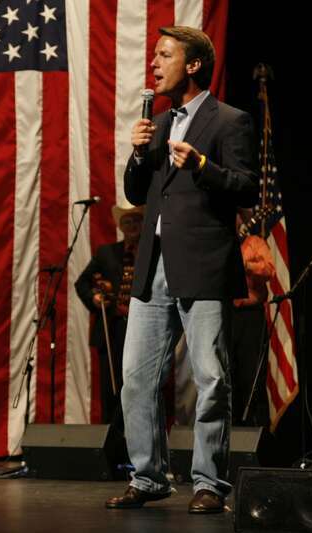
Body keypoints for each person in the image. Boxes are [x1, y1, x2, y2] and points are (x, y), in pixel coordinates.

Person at [105, 26, 258, 513]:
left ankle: (209, 483)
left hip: (204, 267)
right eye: (154, 55)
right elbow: (134, 193)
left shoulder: (229, 120)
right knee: (136, 378)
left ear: (192, 65)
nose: (154, 63)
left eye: (164, 55)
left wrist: (202, 166)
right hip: (154, 269)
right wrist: (136, 150)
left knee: (211, 378)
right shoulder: (160, 120)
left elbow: (247, 187)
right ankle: (148, 477)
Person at [75, 203, 144, 427]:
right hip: (112, 329)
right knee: (111, 389)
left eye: (136, 220)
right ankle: (112, 441)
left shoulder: (153, 252)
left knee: (139, 387)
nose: (132, 225)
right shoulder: (107, 253)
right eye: (127, 222)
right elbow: (82, 283)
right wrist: (95, 299)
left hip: (142, 330)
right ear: (121, 226)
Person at [231, 209, 276, 425]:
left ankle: (258, 438)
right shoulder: (221, 243)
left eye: (235, 214)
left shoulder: (255, 242)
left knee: (252, 378)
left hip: (250, 318)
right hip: (225, 316)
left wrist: (246, 264)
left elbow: (269, 269)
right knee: (227, 379)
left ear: (241, 218)